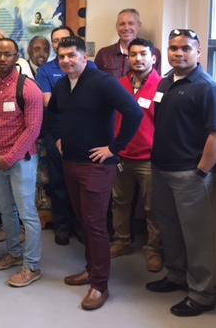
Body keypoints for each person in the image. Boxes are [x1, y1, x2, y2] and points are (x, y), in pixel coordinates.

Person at [48, 36, 142, 311]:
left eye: (71, 56)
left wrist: (114, 148)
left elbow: (133, 112)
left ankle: (100, 285)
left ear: (84, 57)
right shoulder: (63, 84)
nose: (66, 60)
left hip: (97, 167)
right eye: (62, 56)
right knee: (83, 220)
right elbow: (53, 113)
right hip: (71, 163)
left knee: (95, 224)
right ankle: (91, 270)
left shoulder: (103, 82)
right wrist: (58, 137)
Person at [147, 29, 216, 317]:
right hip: (161, 169)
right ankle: (176, 275)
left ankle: (202, 294)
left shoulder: (209, 88)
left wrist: (201, 172)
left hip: (189, 175)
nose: (178, 53)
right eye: (172, 48)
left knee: (197, 236)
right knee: (170, 229)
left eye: (185, 48)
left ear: (198, 52)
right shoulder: (166, 81)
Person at [0, 38, 44, 288]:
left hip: (21, 162)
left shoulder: (28, 88)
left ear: (16, 56)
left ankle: (31, 265)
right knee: (6, 211)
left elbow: (33, 129)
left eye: (7, 54)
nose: (2, 59)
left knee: (27, 213)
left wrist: (9, 158)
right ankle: (14, 251)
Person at [36, 26, 95, 246]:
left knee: (82, 182)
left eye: (64, 40)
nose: (59, 44)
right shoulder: (46, 70)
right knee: (59, 180)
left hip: (85, 133)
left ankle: (81, 224)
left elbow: (93, 102)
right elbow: (49, 103)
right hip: (56, 132)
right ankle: (62, 224)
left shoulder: (91, 67)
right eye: (55, 41)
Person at [110, 38, 163, 272]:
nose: (138, 59)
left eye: (143, 54)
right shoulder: (118, 85)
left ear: (153, 58)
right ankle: (121, 241)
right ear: (128, 58)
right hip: (121, 157)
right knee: (120, 202)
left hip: (150, 159)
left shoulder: (163, 87)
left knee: (153, 207)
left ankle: (153, 250)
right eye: (133, 54)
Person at [94, 8, 161, 78]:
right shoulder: (104, 54)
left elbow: (157, 83)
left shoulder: (153, 53)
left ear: (139, 25)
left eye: (131, 23)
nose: (126, 28)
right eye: (122, 24)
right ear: (116, 27)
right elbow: (96, 81)